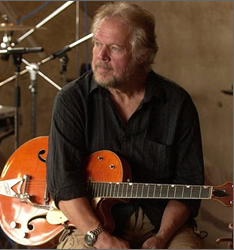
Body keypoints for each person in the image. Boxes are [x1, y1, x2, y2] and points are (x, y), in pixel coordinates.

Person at [46, 2, 205, 249]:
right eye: (97, 44)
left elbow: (188, 184)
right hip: (91, 223)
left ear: (141, 55)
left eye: (115, 48)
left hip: (162, 223)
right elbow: (64, 187)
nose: (101, 56)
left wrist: (161, 237)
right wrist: (102, 238)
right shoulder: (71, 100)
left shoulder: (177, 103)